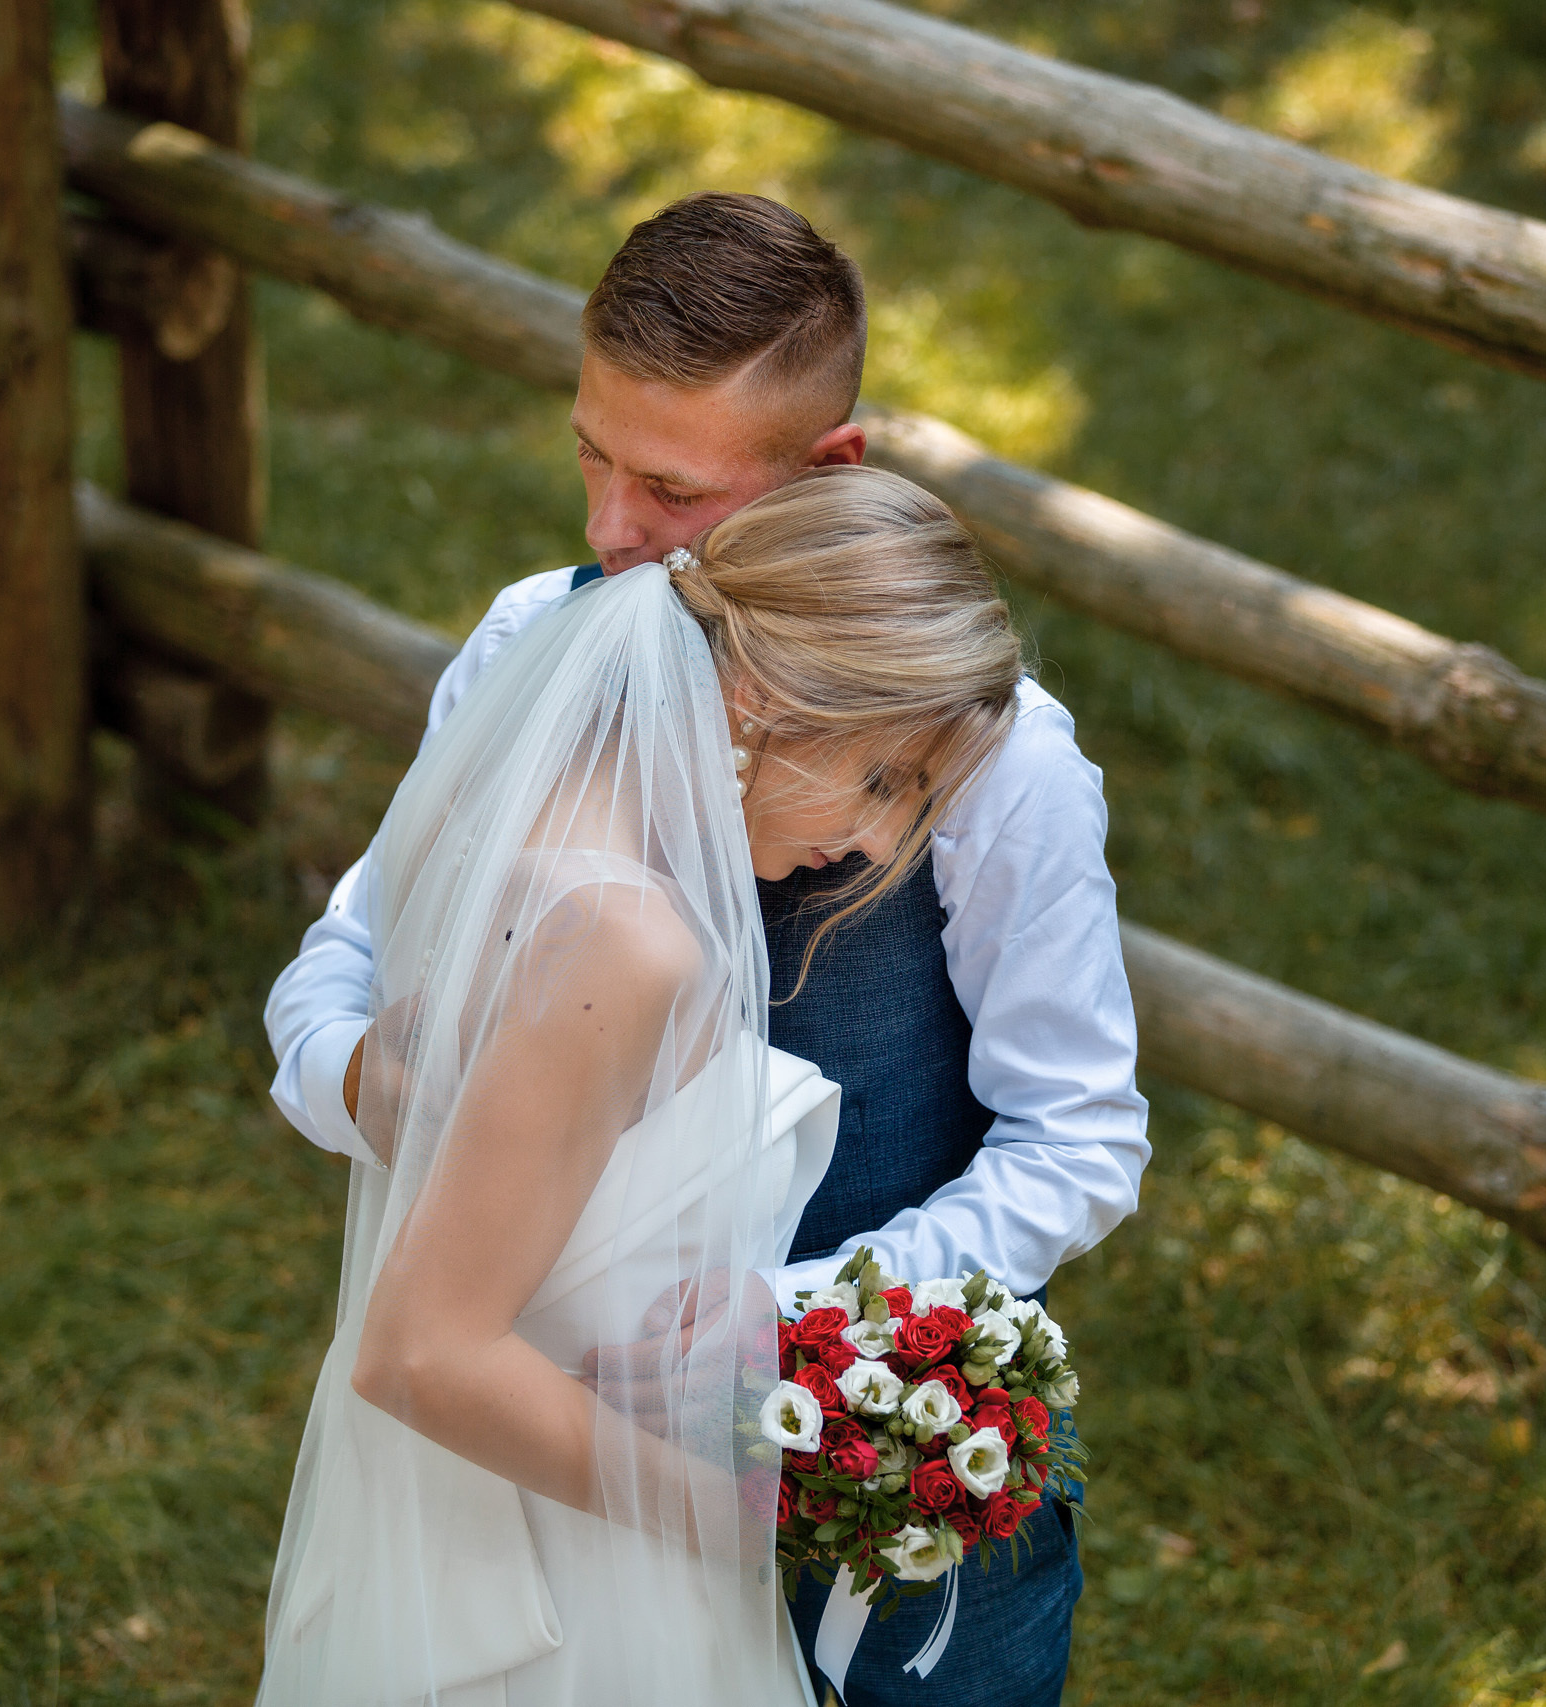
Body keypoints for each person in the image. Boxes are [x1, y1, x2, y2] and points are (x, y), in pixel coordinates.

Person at [265, 193, 1149, 1705]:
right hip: (543, 1444)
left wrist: (795, 1334)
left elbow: (1077, 1136)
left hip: (874, 1434)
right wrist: (381, 1081)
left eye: (673, 490)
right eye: (591, 455)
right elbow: (343, 951)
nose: (613, 530)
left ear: (830, 472)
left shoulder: (993, 758)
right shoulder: (531, 653)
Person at [258, 467, 1022, 1703]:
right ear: (765, 699)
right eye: (885, 778)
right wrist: (738, 1513)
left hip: (479, 1520)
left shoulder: (524, 792)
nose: (880, 845)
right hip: (581, 1573)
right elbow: (422, 1352)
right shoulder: (626, 942)